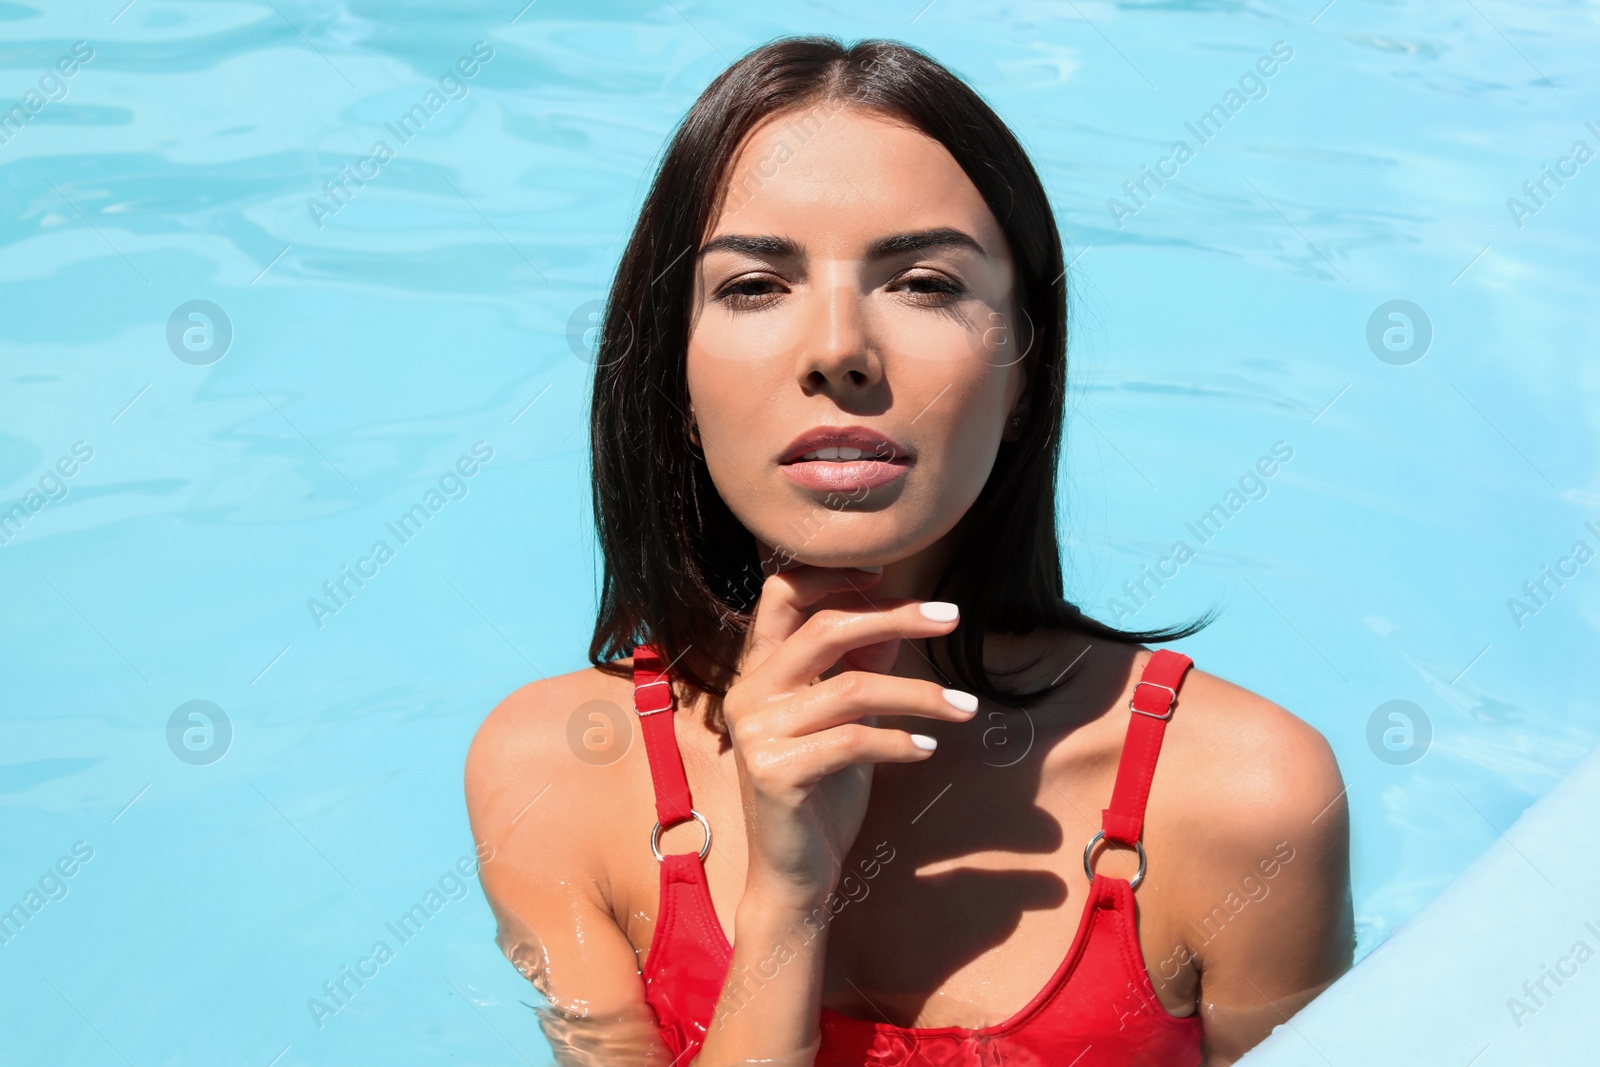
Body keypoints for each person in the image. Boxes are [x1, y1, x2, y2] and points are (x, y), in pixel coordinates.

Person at [464, 35, 1353, 1066]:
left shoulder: (1242, 797)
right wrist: (787, 896)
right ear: (677, 383)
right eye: (754, 284)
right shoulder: (552, 775)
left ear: (1025, 368)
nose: (838, 347)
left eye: (923, 281)